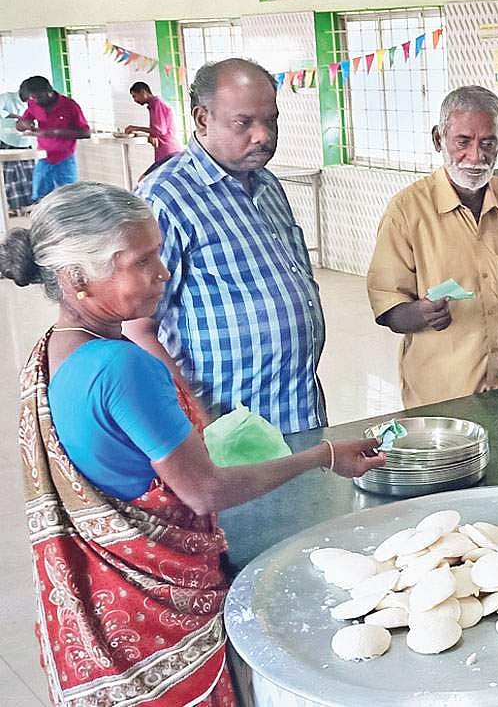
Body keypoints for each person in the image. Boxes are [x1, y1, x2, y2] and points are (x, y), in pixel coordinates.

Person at [0, 181, 384, 706]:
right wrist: (324, 455)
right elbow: (204, 491)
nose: (163, 271)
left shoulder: (52, 354)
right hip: (157, 615)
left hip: (106, 615)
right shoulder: (123, 366)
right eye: (141, 260)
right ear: (78, 279)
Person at [124, 58, 327, 434]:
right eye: (244, 122)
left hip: (297, 412)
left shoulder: (267, 186)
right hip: (227, 430)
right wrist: (197, 418)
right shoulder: (166, 197)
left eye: (271, 120)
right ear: (202, 119)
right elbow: (138, 328)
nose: (263, 135)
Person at [368, 85, 498, 408]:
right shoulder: (406, 211)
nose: (476, 157)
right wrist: (421, 314)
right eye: (463, 142)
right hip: (439, 403)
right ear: (438, 140)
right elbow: (388, 308)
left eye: (488, 143)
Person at [14, 75, 89, 201]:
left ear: (48, 92)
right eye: (32, 98)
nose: (35, 101)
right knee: (40, 197)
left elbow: (86, 133)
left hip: (65, 157)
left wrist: (55, 132)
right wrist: (24, 124)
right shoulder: (33, 103)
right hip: (43, 157)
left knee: (70, 197)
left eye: (38, 97)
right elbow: (20, 124)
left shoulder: (69, 105)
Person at [124, 81, 183, 173]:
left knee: (144, 180)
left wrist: (135, 128)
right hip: (167, 152)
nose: (134, 100)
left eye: (134, 96)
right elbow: (158, 130)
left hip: (169, 152)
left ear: (143, 92)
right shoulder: (153, 105)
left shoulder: (157, 104)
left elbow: (159, 131)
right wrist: (152, 135)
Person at [0, 84, 35, 214]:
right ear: (23, 92)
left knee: (29, 174)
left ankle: (28, 206)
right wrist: (16, 117)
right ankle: (13, 207)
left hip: (25, 142)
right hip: (7, 141)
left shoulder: (34, 103)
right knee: (10, 176)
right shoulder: (6, 98)